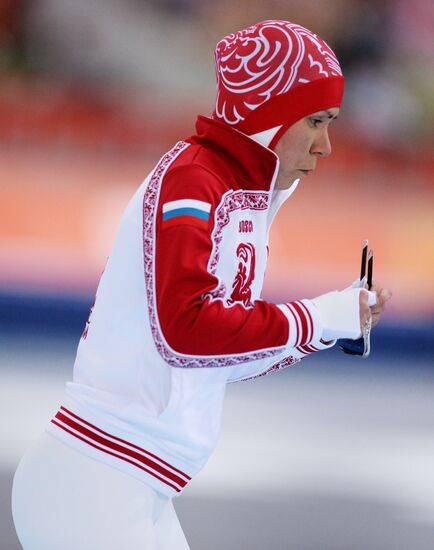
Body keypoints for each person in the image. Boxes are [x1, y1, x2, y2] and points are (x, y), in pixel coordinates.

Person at [12, 19, 392, 549]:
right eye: (315, 120)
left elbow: (213, 358)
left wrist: (332, 326)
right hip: (97, 480)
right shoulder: (194, 180)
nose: (326, 145)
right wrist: (318, 316)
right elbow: (185, 331)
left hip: (126, 484)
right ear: (269, 118)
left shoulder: (234, 191)